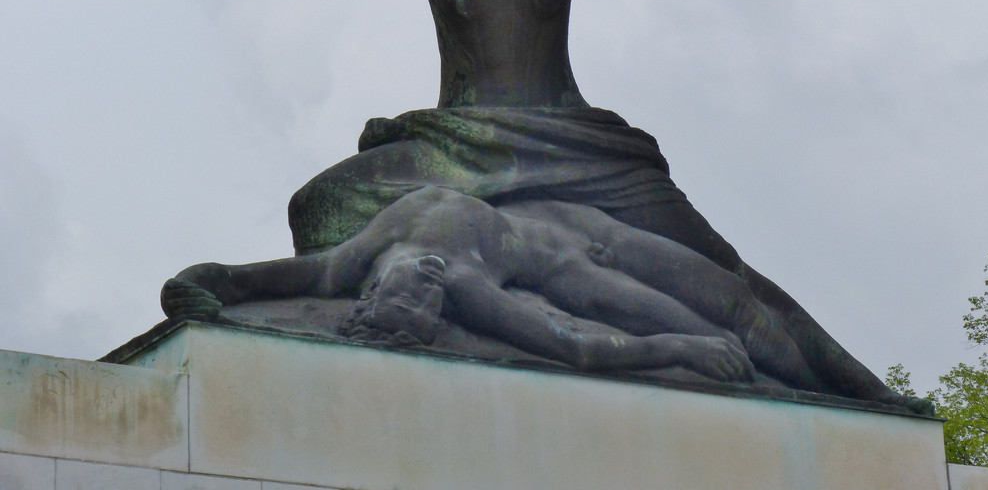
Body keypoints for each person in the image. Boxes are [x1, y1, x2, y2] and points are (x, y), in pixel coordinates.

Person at [279, 0, 928, 412]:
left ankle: (869, 396)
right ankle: (405, 314)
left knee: (727, 279)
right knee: (318, 210)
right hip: (457, 143)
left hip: (575, 144)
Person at [165, 186, 829, 388]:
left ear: (368, 295)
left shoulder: (345, 265)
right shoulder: (466, 283)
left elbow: (231, 280)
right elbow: (576, 349)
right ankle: (833, 397)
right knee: (723, 326)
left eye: (408, 294)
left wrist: (192, 288)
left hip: (570, 221)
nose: (423, 283)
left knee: (743, 303)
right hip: (567, 266)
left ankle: (868, 397)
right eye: (428, 303)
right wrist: (679, 347)